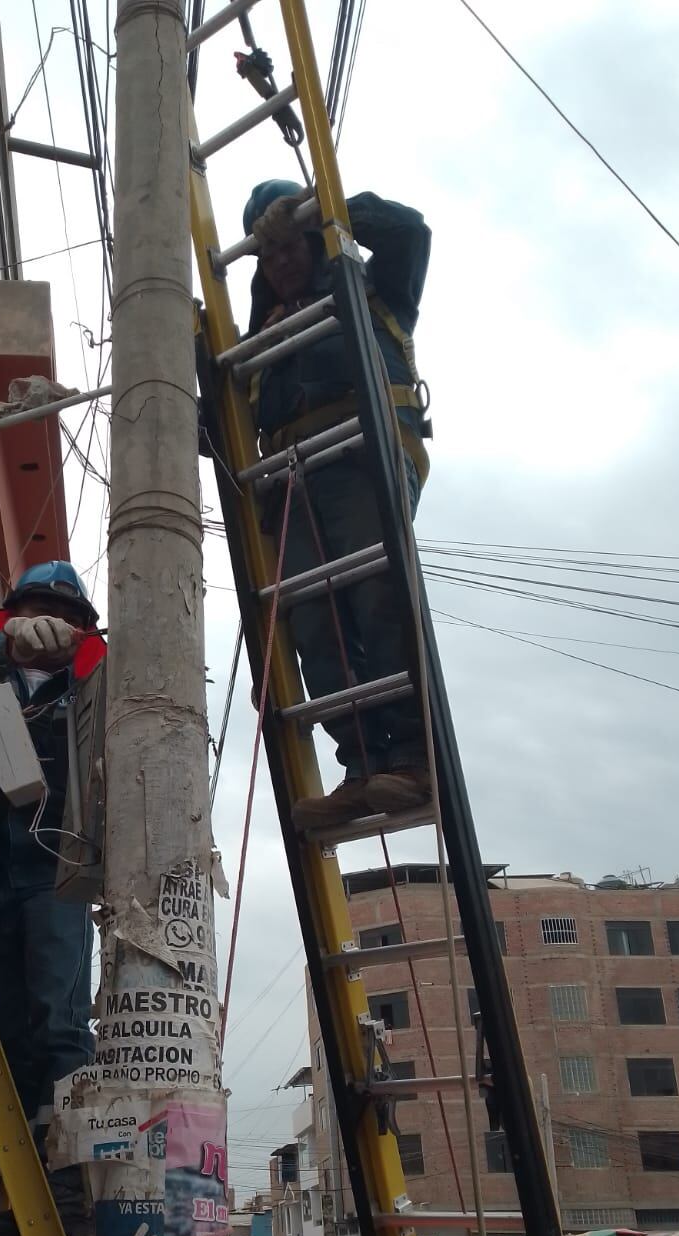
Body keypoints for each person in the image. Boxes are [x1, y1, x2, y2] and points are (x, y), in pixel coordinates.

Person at [241, 179, 432, 827]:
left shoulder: (370, 291)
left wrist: (326, 206)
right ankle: (361, 766)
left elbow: (408, 232)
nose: (280, 261)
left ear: (316, 240)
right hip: (291, 484)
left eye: (290, 243)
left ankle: (413, 756)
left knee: (376, 597)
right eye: (267, 253)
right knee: (316, 623)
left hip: (359, 457)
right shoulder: (259, 339)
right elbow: (221, 430)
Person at [0, 561, 102, 1236]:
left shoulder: (90, 693)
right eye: (37, 611)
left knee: (58, 1025)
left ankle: (70, 1184)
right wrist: (7, 644)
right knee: (5, 1037)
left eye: (63, 617)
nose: (50, 624)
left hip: (55, 874)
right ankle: (23, 1191)